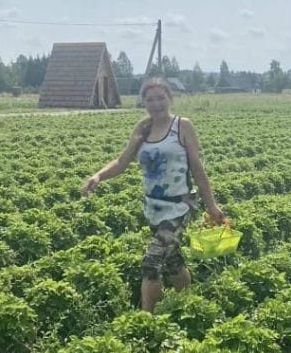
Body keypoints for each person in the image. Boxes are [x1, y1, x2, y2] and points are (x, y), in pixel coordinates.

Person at [82, 76, 226, 311]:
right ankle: (186, 302)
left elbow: (197, 167)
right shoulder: (143, 127)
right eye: (150, 99)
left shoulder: (182, 126)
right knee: (173, 261)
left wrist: (211, 205)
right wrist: (98, 176)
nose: (156, 103)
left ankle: (146, 320)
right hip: (154, 207)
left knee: (151, 262)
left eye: (161, 98)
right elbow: (122, 161)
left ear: (170, 98)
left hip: (179, 205)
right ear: (143, 102)